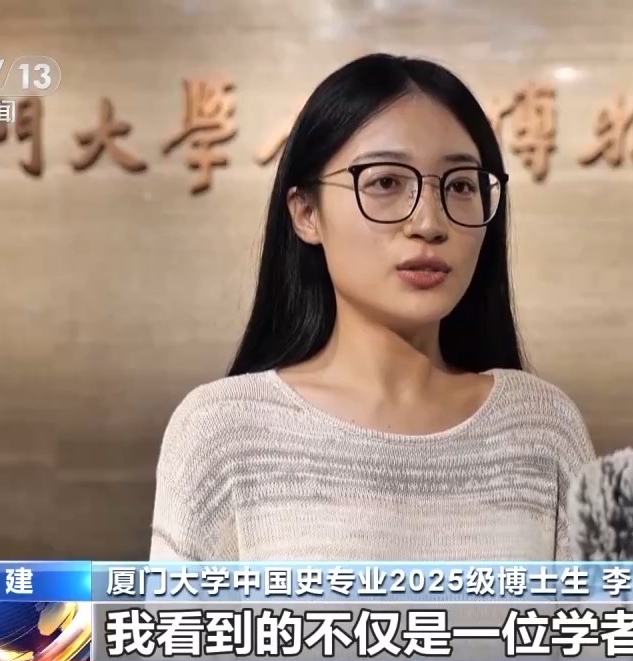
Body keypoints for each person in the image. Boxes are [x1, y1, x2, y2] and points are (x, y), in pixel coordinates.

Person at [149, 54, 596, 561]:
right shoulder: (223, 431)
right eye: (386, 182)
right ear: (306, 212)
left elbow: (606, 613)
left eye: (460, 186)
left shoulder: (542, 429)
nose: (429, 223)